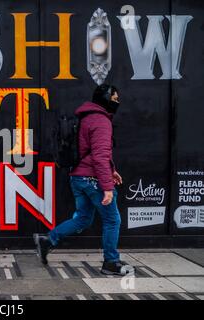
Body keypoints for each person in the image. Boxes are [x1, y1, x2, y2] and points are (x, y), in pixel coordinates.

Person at [34, 84, 134, 276]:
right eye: (114, 99)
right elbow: (99, 156)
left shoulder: (86, 118)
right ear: (105, 99)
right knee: (113, 220)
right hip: (93, 179)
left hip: (78, 177)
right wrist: (106, 186)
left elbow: (90, 153)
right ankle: (111, 262)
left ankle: (48, 239)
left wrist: (111, 171)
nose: (117, 103)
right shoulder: (102, 121)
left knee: (83, 218)